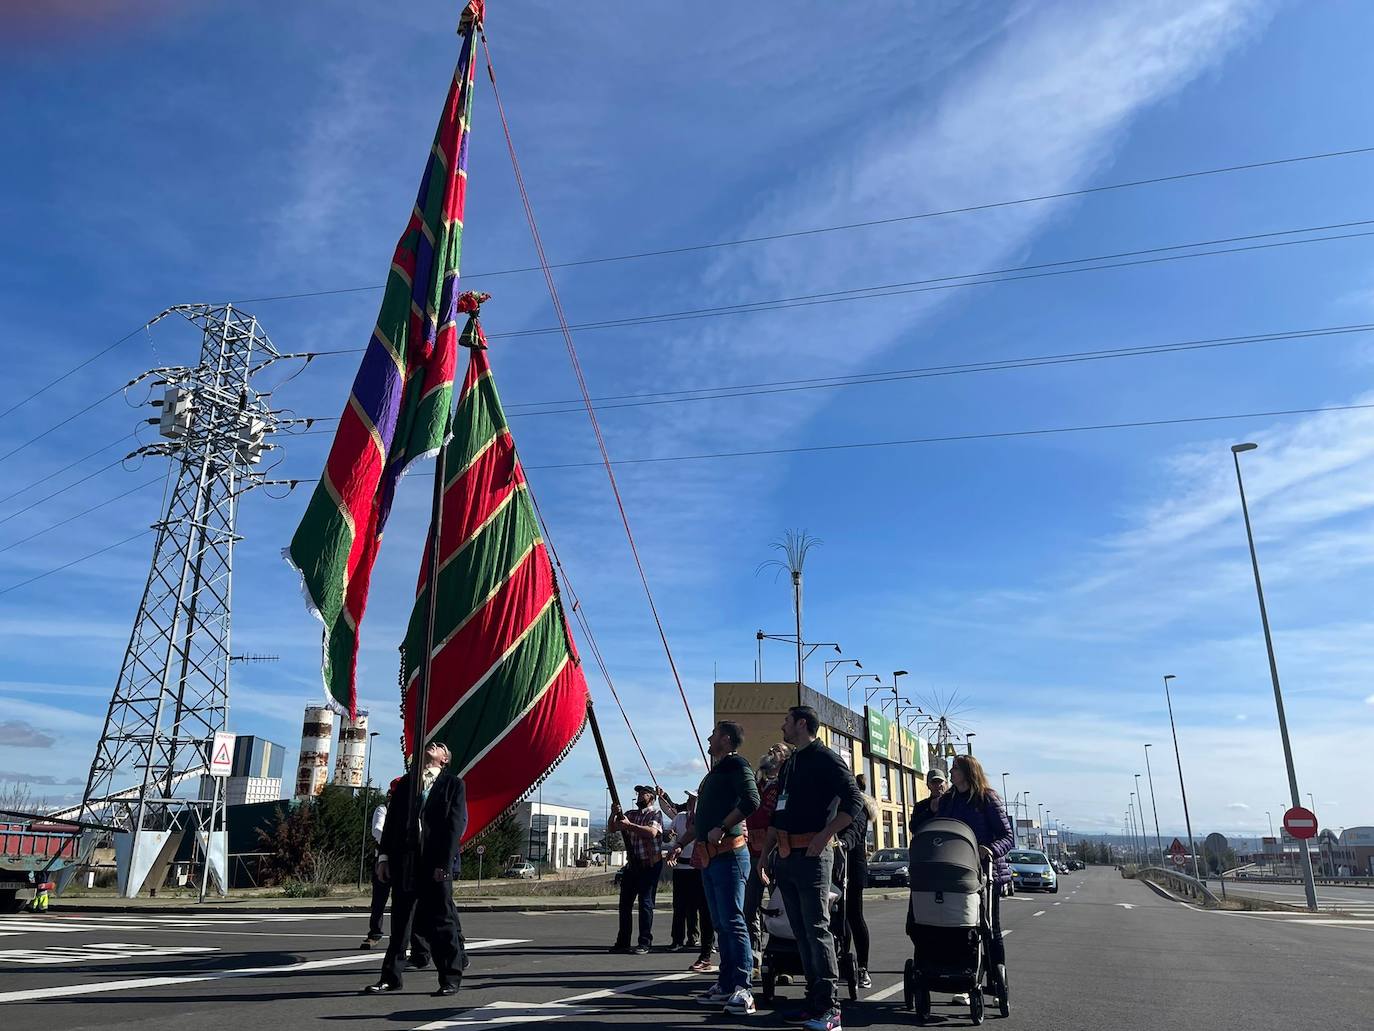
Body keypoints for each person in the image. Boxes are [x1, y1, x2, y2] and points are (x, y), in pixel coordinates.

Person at [763, 706, 864, 1031]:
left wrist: (826, 834)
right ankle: (812, 1003)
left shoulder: (826, 758)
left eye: (786, 720)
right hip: (787, 855)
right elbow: (781, 809)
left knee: (817, 930)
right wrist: (768, 854)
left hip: (813, 855)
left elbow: (854, 800)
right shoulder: (792, 762)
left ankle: (830, 1009)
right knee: (801, 934)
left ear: (802, 724)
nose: (782, 725)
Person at [364, 742, 468, 997]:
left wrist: (444, 864)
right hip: (405, 862)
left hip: (434, 863)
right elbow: (391, 824)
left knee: (442, 921)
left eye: (441, 746)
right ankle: (390, 977)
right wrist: (384, 858)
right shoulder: (407, 784)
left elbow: (455, 825)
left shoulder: (453, 784)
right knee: (400, 922)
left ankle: (450, 978)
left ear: (445, 759)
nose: (433, 744)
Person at [672, 720, 761, 1016]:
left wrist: (723, 826)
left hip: (729, 856)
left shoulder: (737, 765)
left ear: (725, 739)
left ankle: (742, 988)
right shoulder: (716, 772)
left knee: (733, 921)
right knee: (722, 923)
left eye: (713, 734)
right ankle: (725, 984)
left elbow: (752, 799)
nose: (709, 739)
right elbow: (699, 821)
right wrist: (679, 843)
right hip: (710, 858)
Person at [937, 754, 1014, 997]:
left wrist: (991, 849)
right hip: (958, 871)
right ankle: (966, 979)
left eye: (955, 769)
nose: (951, 774)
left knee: (990, 927)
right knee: (961, 926)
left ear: (968, 772)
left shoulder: (986, 798)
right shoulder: (950, 799)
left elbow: (1007, 836)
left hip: (986, 871)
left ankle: (995, 979)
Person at [744, 745, 787, 975]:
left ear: (785, 759)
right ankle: (755, 957)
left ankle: (782, 960)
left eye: (778, 749)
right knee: (750, 907)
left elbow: (764, 814)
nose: (771, 749)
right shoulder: (758, 785)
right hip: (754, 852)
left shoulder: (783, 785)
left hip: (778, 852)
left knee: (781, 907)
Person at [660, 789, 715, 971]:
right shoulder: (682, 817)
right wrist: (672, 840)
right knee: (680, 905)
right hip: (682, 866)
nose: (692, 801)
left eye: (695, 798)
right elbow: (671, 824)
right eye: (690, 798)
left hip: (701, 866)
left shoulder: (707, 815)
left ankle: (700, 940)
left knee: (702, 908)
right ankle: (677, 939)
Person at [608, 784, 665, 954]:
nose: (640, 796)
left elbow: (651, 832)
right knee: (625, 903)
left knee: (645, 904)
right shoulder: (631, 814)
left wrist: (629, 826)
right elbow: (613, 828)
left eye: (644, 793)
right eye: (639, 793)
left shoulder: (655, 813)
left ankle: (645, 942)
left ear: (651, 797)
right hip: (633, 865)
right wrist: (613, 813)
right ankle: (623, 941)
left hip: (650, 865)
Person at [844, 774, 879, 989]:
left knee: (854, 916)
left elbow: (855, 831)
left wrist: (843, 842)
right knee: (838, 918)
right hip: (835, 866)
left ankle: (863, 968)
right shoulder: (835, 802)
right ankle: (842, 962)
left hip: (853, 867)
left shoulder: (859, 805)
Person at [360, 778, 401, 950]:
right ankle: (374, 933)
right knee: (379, 899)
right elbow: (377, 830)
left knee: (401, 900)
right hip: (384, 858)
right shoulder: (383, 809)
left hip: (402, 860)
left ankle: (400, 935)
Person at [908, 767, 948, 834]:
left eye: (940, 781)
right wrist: (929, 811)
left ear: (946, 784)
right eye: (934, 782)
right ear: (928, 785)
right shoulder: (920, 806)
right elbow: (913, 828)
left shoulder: (953, 803)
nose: (938, 785)